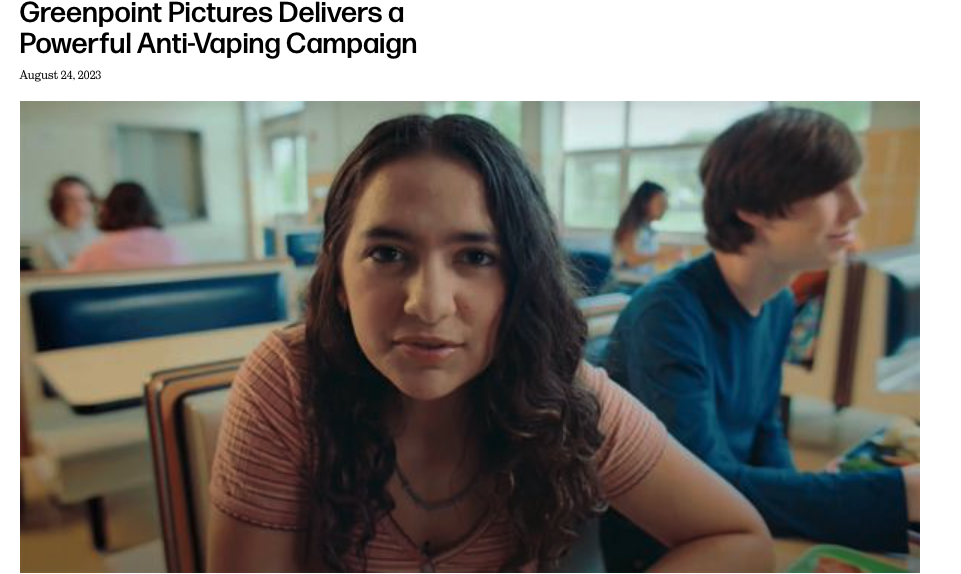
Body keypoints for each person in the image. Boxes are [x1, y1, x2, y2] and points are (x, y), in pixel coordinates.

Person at [206, 115, 772, 572]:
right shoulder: (289, 383)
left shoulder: (559, 394)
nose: (429, 303)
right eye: (388, 253)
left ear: (520, 281)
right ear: (340, 278)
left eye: (476, 258)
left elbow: (738, 538)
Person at [599, 108, 920, 570]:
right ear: (751, 210)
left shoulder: (777, 302)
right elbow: (699, 488)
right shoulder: (666, 312)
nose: (857, 207)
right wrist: (894, 495)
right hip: (673, 545)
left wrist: (803, 494)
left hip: (742, 520)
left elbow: (765, 424)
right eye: (828, 188)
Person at [68, 181, 188, 271]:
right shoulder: (173, 246)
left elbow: (67, 287)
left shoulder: (95, 252)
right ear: (148, 208)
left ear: (108, 211)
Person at [35, 175, 100, 270]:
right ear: (57, 205)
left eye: (84, 199)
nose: (80, 207)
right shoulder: (46, 243)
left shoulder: (105, 236)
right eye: (71, 201)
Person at [612, 181, 673, 278]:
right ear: (644, 203)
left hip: (640, 282)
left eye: (665, 204)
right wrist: (663, 255)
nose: (666, 208)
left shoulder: (648, 229)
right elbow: (631, 260)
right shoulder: (629, 227)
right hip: (625, 284)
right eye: (661, 203)